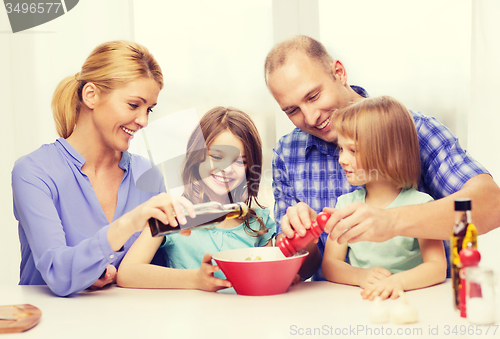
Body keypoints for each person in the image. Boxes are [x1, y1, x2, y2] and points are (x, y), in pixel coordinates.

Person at [264, 35, 500, 281]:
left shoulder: (412, 130)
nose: (310, 117)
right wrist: (303, 241)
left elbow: (492, 205)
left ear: (339, 73)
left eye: (313, 96)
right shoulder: (288, 152)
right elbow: (304, 269)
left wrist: (392, 220)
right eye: (292, 110)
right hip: (335, 308)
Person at [11, 40, 174, 296]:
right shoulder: (34, 172)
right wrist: (129, 223)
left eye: (149, 109)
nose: (143, 121)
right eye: (134, 105)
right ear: (91, 95)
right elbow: (59, 273)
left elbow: (156, 268)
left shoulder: (147, 176)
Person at [117, 107, 276, 291]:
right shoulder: (173, 215)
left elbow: (268, 280)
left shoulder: (258, 221)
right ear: (196, 158)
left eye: (240, 161)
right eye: (217, 156)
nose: (227, 168)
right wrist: (195, 280)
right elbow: (128, 273)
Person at [322, 96, 447, 299]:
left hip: (410, 301)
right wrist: (361, 276)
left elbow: (437, 267)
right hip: (362, 302)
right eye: (341, 149)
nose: (342, 159)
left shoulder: (421, 205)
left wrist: (396, 282)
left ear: (389, 153)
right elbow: (330, 265)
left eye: (352, 150)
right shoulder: (346, 205)